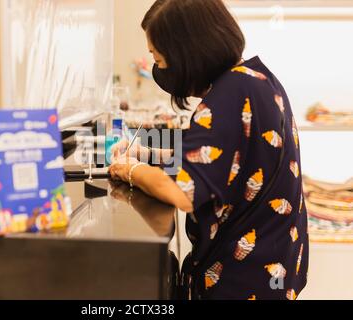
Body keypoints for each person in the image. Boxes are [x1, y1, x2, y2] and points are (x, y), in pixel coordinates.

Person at [109, 0, 308, 300]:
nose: (159, 69)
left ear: (186, 54)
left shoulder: (226, 97)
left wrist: (130, 169)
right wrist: (146, 153)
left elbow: (182, 194)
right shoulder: (255, 78)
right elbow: (221, 154)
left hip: (242, 279)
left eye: (159, 60)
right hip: (276, 265)